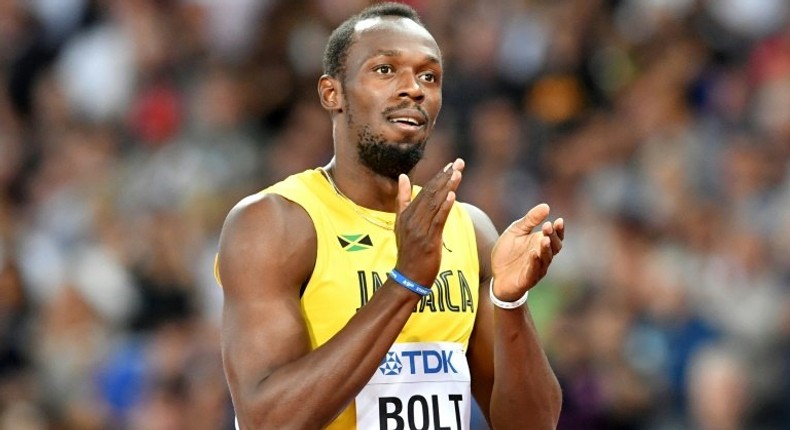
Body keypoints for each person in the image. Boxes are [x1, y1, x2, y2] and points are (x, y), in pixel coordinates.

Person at [215, 2, 565, 429]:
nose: (413, 88)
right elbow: (267, 420)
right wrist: (404, 283)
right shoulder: (275, 224)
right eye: (385, 70)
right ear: (332, 93)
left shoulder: (467, 230)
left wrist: (509, 303)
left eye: (428, 76)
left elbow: (533, 425)